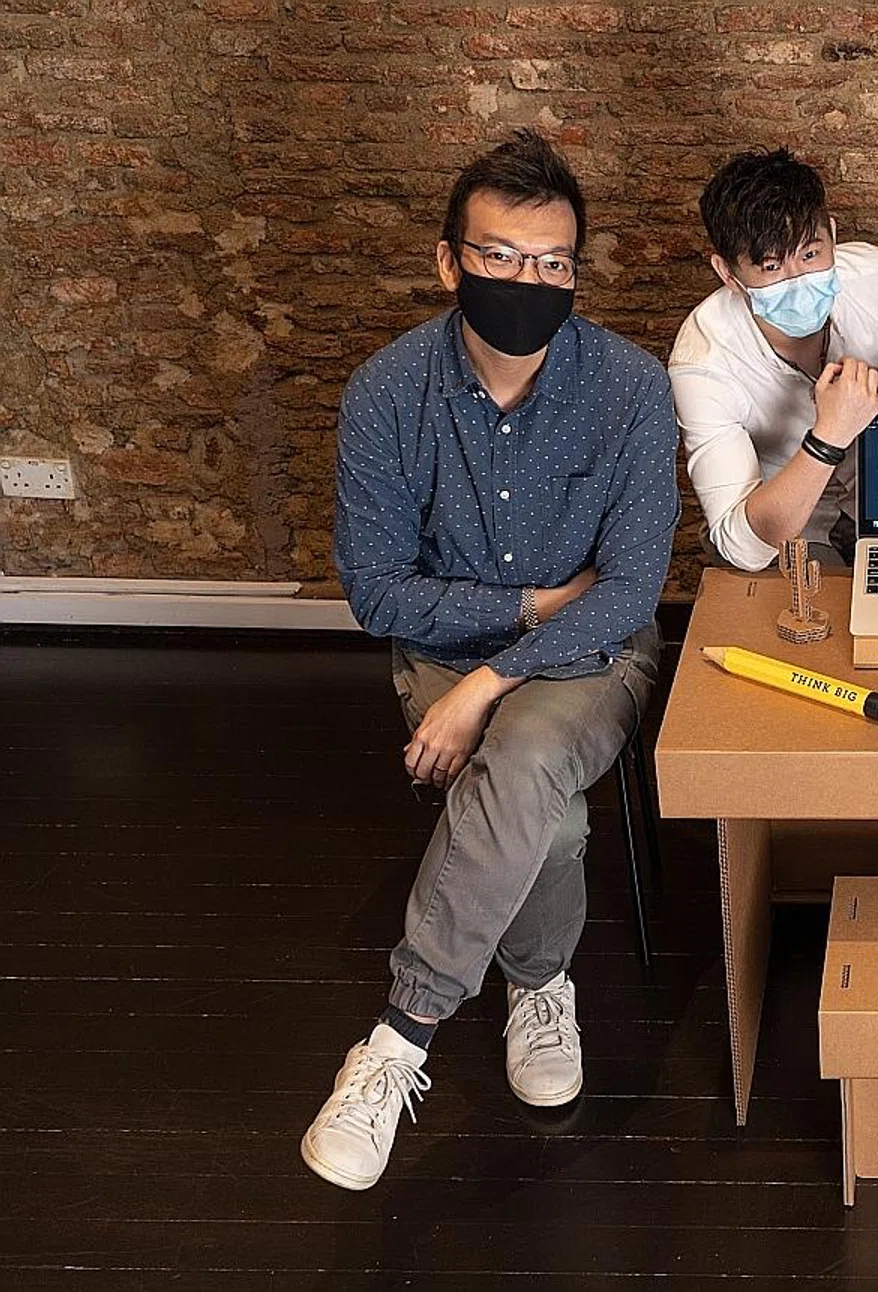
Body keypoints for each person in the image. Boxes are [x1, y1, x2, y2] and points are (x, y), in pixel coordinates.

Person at [307, 129, 679, 1191]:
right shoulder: (387, 393)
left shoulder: (630, 388)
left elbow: (626, 588)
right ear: (449, 262)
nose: (530, 281)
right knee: (550, 811)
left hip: (592, 655)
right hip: (445, 646)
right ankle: (539, 977)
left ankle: (396, 1038)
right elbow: (376, 590)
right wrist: (513, 609)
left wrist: (488, 680)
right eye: (503, 256)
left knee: (520, 758)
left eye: (553, 263)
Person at [670, 147, 878, 569]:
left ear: (833, 236)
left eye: (810, 254)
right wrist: (829, 436)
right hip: (785, 525)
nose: (798, 278)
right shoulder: (702, 361)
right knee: (815, 620)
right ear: (728, 274)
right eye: (770, 266)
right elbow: (740, 545)